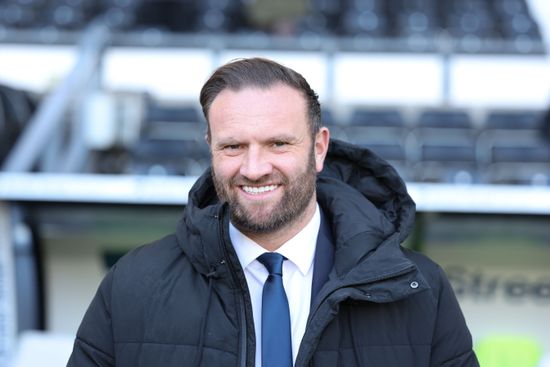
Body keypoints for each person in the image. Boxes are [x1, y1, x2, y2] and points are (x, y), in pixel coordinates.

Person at [67, 57, 479, 366]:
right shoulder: (134, 284)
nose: (254, 167)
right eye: (233, 146)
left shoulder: (420, 290)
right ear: (210, 146)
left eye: (278, 144)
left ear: (319, 148)